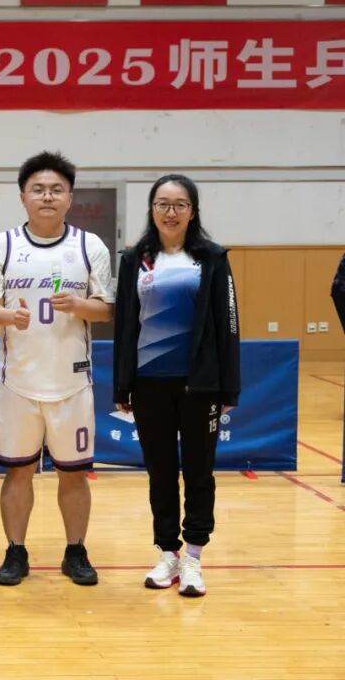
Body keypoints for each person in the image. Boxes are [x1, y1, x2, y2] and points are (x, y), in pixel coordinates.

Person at [0, 151, 114, 587]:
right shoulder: (3, 245)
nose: (47, 197)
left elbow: (107, 309)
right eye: (38, 189)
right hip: (18, 382)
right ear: (23, 197)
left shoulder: (90, 246)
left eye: (56, 189)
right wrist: (6, 317)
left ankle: (76, 551)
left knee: (74, 473)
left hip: (72, 383)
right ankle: (16, 551)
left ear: (70, 197)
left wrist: (79, 305)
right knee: (18, 471)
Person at [113, 173, 240, 598]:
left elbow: (229, 324)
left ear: (192, 211)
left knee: (199, 472)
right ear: (151, 209)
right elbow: (125, 323)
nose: (171, 212)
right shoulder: (136, 259)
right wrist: (122, 385)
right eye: (163, 204)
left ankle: (194, 558)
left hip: (199, 384)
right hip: (149, 382)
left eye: (179, 204)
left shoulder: (211, 258)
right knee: (161, 473)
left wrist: (228, 388)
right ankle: (167, 552)